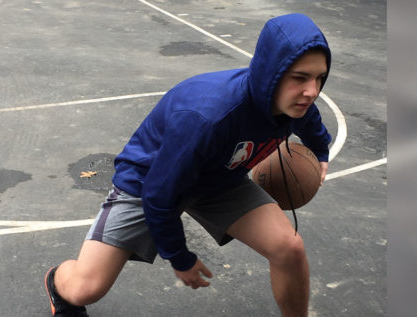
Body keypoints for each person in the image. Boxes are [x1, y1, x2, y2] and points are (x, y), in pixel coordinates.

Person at [45, 13, 332, 317]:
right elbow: (158, 195)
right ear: (272, 73)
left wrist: (320, 152)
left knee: (290, 249)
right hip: (148, 182)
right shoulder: (208, 117)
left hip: (218, 180)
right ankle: (56, 281)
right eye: (299, 78)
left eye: (319, 78)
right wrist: (180, 257)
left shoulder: (294, 104)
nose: (311, 91)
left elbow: (311, 123)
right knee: (85, 289)